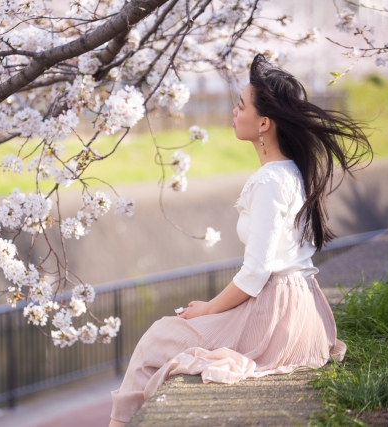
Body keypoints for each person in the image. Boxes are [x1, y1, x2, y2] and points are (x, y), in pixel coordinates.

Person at [108, 54, 373, 427]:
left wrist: (209, 308)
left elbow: (256, 271)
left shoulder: (268, 182)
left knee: (158, 339)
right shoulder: (291, 173)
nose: (234, 112)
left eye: (241, 105)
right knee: (168, 340)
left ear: (263, 123)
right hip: (300, 310)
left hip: (275, 315)